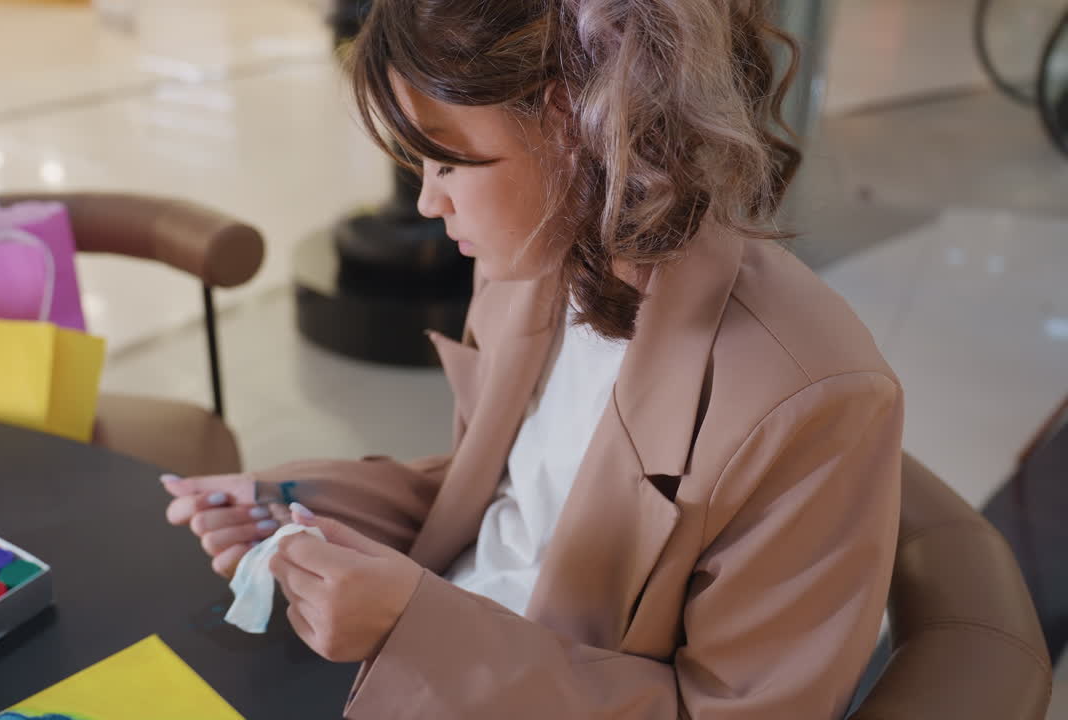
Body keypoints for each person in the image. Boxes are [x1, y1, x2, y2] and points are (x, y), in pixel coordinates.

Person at [163, 0, 904, 717]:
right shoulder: (545, 255)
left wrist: (417, 634)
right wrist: (290, 506)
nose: (427, 203)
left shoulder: (810, 397)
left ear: (569, 123)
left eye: (447, 163)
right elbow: (501, 495)